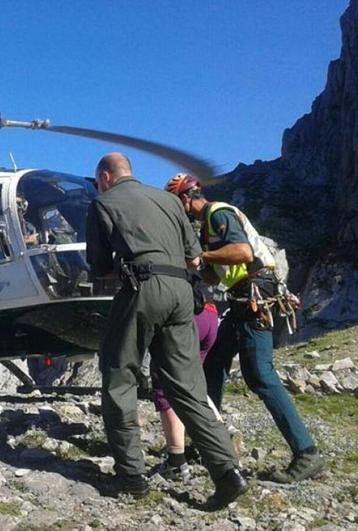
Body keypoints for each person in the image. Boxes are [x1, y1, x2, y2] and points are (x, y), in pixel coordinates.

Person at [86, 152, 247, 506]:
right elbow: (193, 254)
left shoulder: (103, 202)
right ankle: (226, 471)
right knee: (188, 386)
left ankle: (131, 476)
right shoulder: (170, 202)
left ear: (105, 177)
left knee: (119, 376)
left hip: (142, 288)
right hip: (182, 294)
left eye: (99, 180)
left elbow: (97, 266)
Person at [165, 173, 324, 483]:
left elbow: (243, 253)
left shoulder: (217, 213)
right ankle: (210, 442)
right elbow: (215, 274)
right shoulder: (208, 229)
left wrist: (201, 256)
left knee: (260, 375)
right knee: (212, 367)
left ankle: (307, 452)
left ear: (185, 199)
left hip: (255, 295)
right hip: (241, 299)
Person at [150, 302, 220, 482]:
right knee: (191, 382)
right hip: (210, 314)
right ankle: (221, 452)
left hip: (186, 316)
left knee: (166, 385)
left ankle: (176, 462)